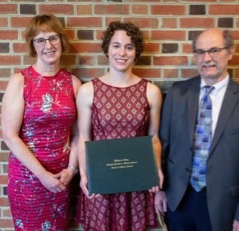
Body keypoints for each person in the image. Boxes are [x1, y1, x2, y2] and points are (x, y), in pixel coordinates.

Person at [155, 28, 239, 231]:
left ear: (230, 53)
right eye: (200, 52)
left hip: (223, 204)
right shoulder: (177, 93)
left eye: (214, 50)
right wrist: (160, 191)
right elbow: (163, 145)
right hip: (178, 199)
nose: (206, 58)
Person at [76, 21, 163, 231]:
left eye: (129, 47)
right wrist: (84, 174)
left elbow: (154, 138)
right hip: (101, 181)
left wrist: (157, 169)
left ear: (136, 52)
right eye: (116, 45)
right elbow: (84, 137)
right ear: (107, 49)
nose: (122, 52)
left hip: (136, 182)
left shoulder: (151, 91)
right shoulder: (89, 90)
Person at [1, 14, 81, 230]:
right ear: (33, 45)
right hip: (28, 179)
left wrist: (72, 169)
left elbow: (78, 134)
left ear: (62, 42)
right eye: (40, 40)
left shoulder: (72, 83)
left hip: (62, 179)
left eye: (54, 38)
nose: (49, 45)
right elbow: (9, 134)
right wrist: (42, 175)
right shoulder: (21, 81)